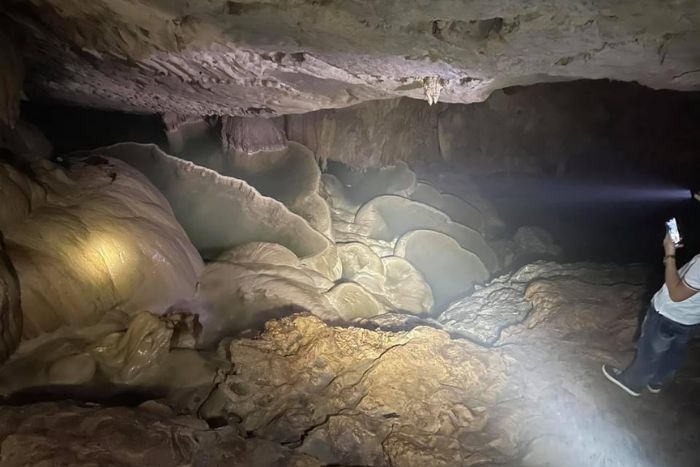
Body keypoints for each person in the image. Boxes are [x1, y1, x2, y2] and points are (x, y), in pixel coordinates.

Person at [602, 232, 700, 396]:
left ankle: (632, 383)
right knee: (675, 352)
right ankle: (657, 381)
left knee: (650, 352)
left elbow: (676, 295)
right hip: (692, 319)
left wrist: (669, 254)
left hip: (668, 314)